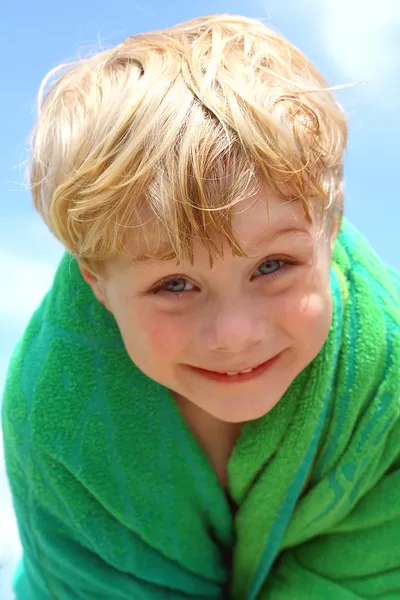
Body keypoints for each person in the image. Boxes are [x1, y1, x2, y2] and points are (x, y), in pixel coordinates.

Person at [2, 13, 400, 600]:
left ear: (331, 223)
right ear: (96, 282)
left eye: (272, 266)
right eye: (174, 285)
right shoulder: (56, 408)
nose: (233, 334)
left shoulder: (383, 379)